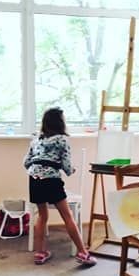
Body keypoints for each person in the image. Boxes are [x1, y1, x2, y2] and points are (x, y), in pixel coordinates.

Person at [22, 107, 96, 266]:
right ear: (59, 122)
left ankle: (40, 253)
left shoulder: (36, 139)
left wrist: (38, 169)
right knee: (67, 215)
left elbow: (26, 162)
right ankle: (83, 252)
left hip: (34, 178)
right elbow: (67, 167)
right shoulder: (62, 140)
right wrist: (71, 170)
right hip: (51, 179)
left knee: (42, 216)